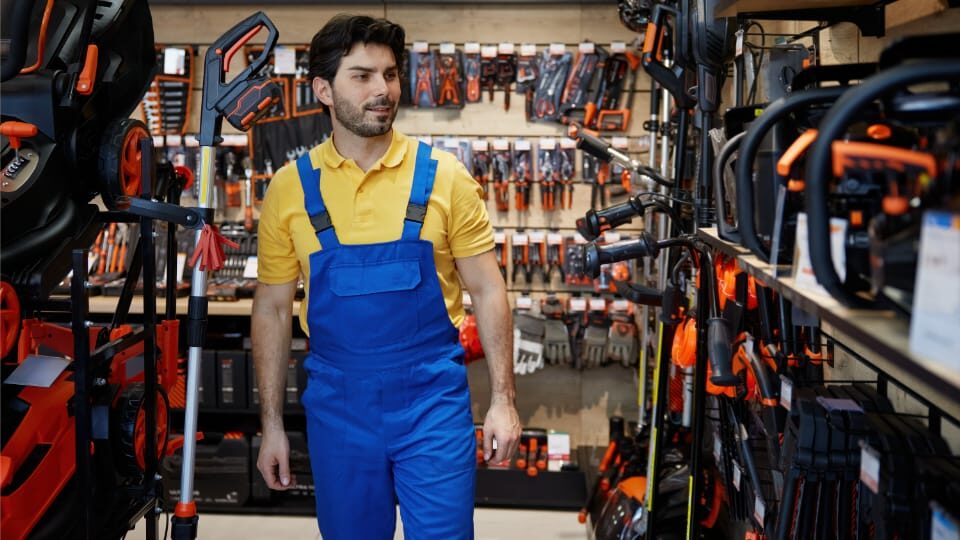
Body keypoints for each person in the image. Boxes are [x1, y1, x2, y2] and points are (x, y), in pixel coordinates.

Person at [250, 14, 520, 540]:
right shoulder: (288, 190)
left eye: (391, 75)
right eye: (363, 76)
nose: (384, 90)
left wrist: (504, 400)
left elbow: (489, 291)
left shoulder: (445, 177)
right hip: (338, 407)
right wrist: (272, 427)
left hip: (432, 404)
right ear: (323, 90)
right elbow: (272, 308)